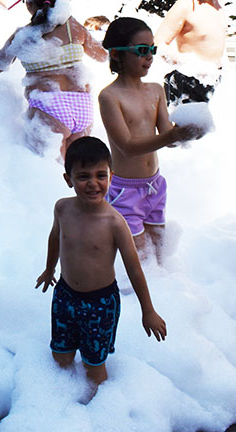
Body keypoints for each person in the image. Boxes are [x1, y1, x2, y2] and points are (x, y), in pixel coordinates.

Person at [36, 137, 167, 400]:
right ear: (68, 178)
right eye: (83, 176)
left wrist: (148, 310)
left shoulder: (114, 223)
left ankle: (96, 411)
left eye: (100, 175)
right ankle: (60, 406)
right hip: (64, 295)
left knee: (93, 365)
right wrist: (49, 269)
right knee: (60, 356)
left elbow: (134, 269)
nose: (93, 183)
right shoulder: (62, 208)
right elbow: (55, 237)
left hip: (100, 304)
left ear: (111, 176)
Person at [99, 17, 203, 262]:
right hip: (124, 190)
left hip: (155, 186)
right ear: (116, 54)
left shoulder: (156, 89)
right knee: (138, 258)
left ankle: (164, 293)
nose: (149, 57)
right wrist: (171, 135)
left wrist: (187, 132)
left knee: (160, 253)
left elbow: (168, 136)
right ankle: (136, 296)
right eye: (142, 50)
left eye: (152, 50)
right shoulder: (110, 96)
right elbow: (127, 147)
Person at [0, 0, 109, 158]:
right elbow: (103, 56)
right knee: (77, 173)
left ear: (27, 2)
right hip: (82, 106)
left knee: (48, 173)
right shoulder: (73, 27)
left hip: (49, 107)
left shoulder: (23, 36)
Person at [155, 0, 229, 105]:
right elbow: (159, 44)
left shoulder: (215, 1)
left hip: (214, 78)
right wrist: (191, 66)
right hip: (190, 81)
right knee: (189, 129)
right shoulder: (185, 6)